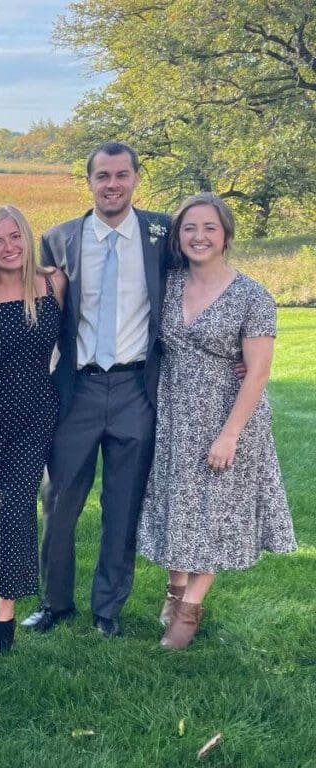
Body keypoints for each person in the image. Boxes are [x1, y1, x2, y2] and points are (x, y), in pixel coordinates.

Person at [24, 142, 171, 638]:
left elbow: (201, 292)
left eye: (121, 175)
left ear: (136, 178)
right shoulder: (60, 238)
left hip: (135, 387)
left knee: (122, 504)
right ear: (88, 181)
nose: (112, 184)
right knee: (59, 499)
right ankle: (54, 602)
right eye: (102, 176)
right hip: (77, 389)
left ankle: (108, 609)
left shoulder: (162, 234)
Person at [136, 193, 296, 649]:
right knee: (177, 504)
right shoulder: (166, 284)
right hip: (172, 411)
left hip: (226, 415)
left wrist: (229, 435)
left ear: (226, 235)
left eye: (209, 228)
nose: (198, 236)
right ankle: (174, 589)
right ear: (178, 236)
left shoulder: (252, 296)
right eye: (189, 228)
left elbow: (258, 371)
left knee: (213, 512)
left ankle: (189, 612)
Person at [0, 206, 65, 653]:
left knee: (17, 503)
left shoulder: (52, 282)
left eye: (15, 237)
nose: (8, 248)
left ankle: (6, 609)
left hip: (36, 411)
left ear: (27, 236)